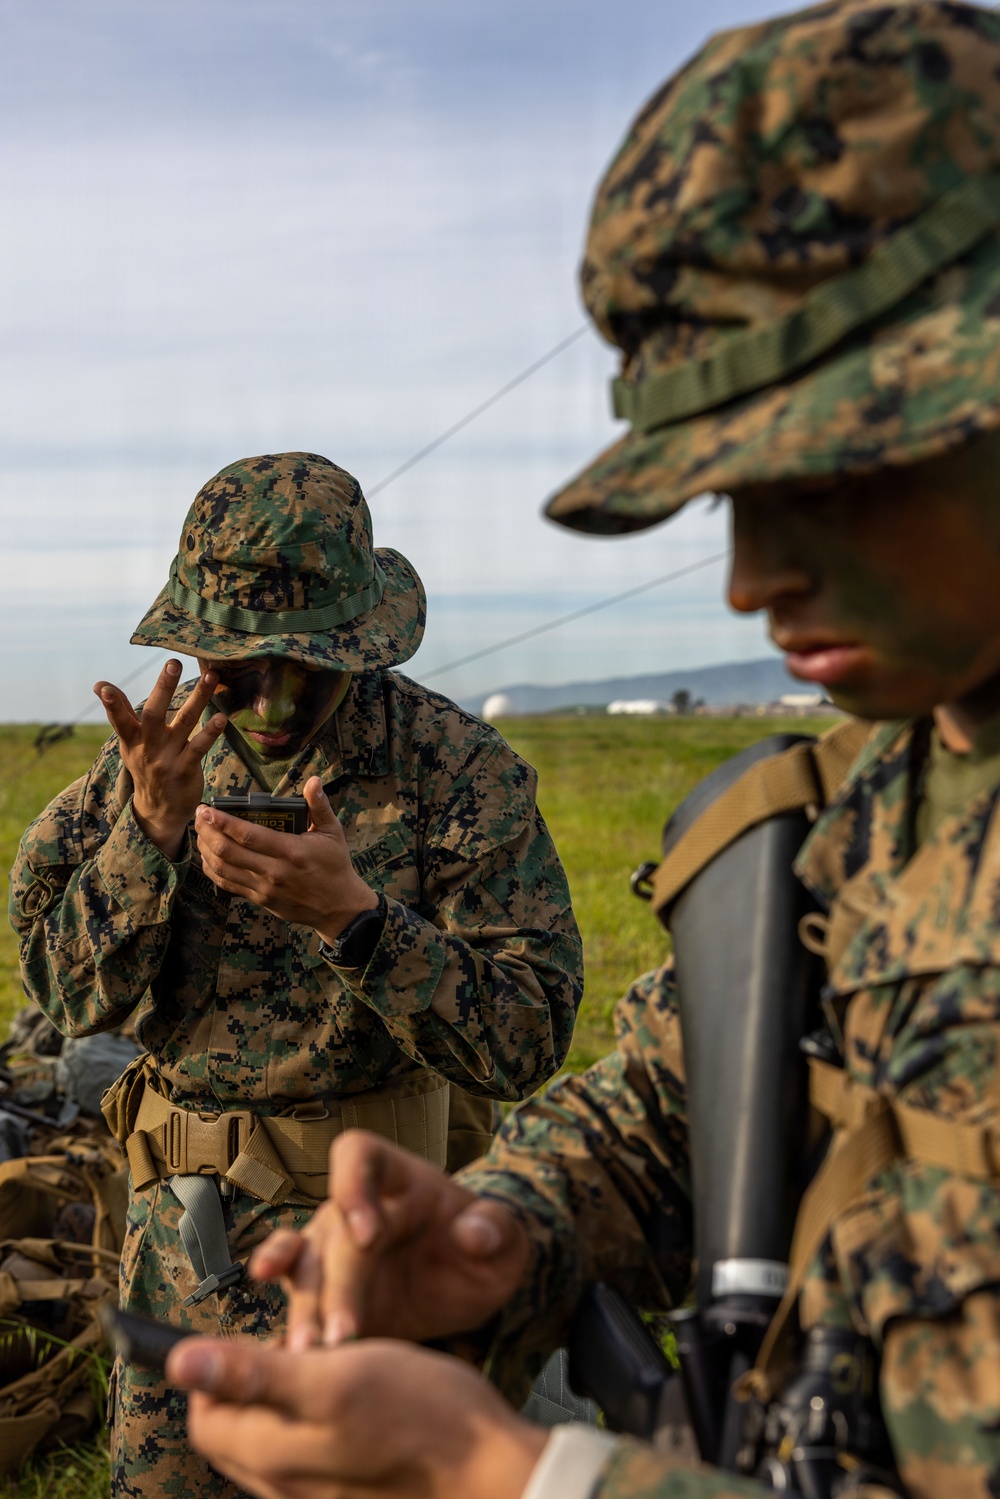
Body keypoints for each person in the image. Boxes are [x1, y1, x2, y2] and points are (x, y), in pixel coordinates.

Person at [165, 1, 1000, 1494]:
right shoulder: (889, 799)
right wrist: (502, 1231)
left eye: (831, 475)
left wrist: (531, 1479)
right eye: (726, 495)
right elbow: (675, 1097)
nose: (750, 582)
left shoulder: (461, 771)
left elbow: (521, 1026)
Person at [8, 450, 583, 1497]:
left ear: (357, 644)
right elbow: (64, 997)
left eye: (301, 661)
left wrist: (359, 924)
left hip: (371, 1254)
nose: (267, 698)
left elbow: (526, 1037)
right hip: (181, 1245)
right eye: (235, 663)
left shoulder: (456, 770)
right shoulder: (144, 770)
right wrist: (147, 833)